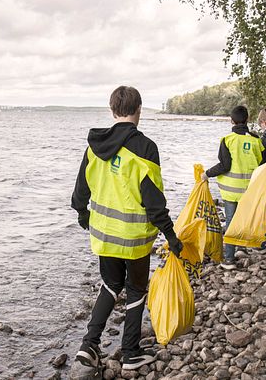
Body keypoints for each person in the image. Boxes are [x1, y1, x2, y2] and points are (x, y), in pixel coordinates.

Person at [70, 86, 183, 378]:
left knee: (109, 285)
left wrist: (83, 214)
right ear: (139, 110)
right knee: (135, 289)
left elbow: (79, 192)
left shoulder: (94, 146)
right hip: (134, 239)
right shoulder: (145, 147)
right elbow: (153, 200)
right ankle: (131, 353)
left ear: (112, 110)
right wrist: (171, 236)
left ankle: (89, 345)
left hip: (104, 235)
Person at [201, 105, 264, 269]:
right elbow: (263, 164)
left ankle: (229, 259)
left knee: (230, 222)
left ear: (231, 121)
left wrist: (207, 174)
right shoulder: (256, 140)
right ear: (247, 119)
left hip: (230, 190)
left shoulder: (228, 140)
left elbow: (224, 165)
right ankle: (241, 248)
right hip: (250, 190)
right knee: (244, 220)